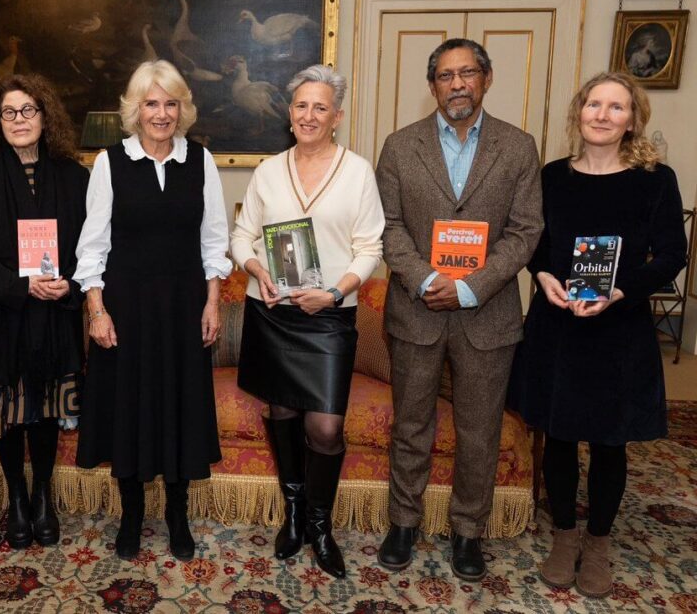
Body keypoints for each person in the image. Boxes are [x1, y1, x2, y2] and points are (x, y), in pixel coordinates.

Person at [507, 71, 687, 598]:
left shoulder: (655, 179)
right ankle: (565, 536)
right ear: (579, 111)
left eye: (616, 107)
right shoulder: (552, 176)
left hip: (618, 328)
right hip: (558, 322)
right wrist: (541, 276)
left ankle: (599, 542)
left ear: (633, 119)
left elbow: (672, 256)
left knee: (610, 441)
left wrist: (618, 292)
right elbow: (534, 243)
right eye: (594, 104)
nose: (603, 115)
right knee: (559, 434)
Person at [375, 38, 543, 581]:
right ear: (432, 86)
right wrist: (426, 278)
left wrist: (470, 286)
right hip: (416, 311)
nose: (458, 84)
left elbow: (525, 232)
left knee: (480, 430)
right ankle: (404, 522)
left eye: (468, 73)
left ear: (487, 79)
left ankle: (468, 532)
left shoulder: (518, 148)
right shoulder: (400, 146)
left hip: (486, 315)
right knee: (412, 425)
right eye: (446, 76)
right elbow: (389, 226)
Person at [230, 65, 384, 579]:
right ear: (289, 113)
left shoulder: (358, 171)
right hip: (273, 310)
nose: (309, 115)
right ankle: (294, 514)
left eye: (320, 107)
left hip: (328, 316)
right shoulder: (269, 171)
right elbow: (241, 236)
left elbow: (370, 248)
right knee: (281, 412)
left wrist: (337, 291)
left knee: (325, 424)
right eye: (301, 106)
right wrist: (255, 269)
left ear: (337, 117)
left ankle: (321, 524)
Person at [74, 60, 232, 561]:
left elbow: (214, 242)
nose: (161, 114)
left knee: (181, 407)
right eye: (151, 103)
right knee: (128, 408)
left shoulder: (201, 161)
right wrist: (96, 310)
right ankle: (132, 516)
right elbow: (92, 245)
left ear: (182, 108)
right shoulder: (109, 162)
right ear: (135, 110)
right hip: (126, 308)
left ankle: (177, 516)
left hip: (184, 308)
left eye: (170, 103)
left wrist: (212, 303)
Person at [0, 74, 88, 549]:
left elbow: (90, 243)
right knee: (9, 411)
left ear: (45, 115)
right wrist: (18, 286)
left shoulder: (74, 175)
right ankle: (16, 498)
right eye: (9, 112)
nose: (19, 120)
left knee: (47, 407)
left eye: (28, 110)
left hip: (55, 311)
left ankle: (43, 495)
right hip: (0, 313)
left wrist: (67, 280)